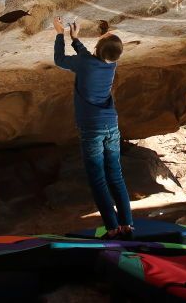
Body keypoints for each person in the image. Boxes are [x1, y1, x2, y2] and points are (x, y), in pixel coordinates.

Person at [53, 15, 134, 239]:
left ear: (98, 48)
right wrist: (75, 39)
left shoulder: (89, 62)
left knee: (97, 178)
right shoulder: (111, 64)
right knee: (115, 175)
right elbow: (92, 56)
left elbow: (60, 60)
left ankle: (111, 227)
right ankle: (126, 225)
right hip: (111, 126)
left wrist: (61, 34)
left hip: (92, 129)